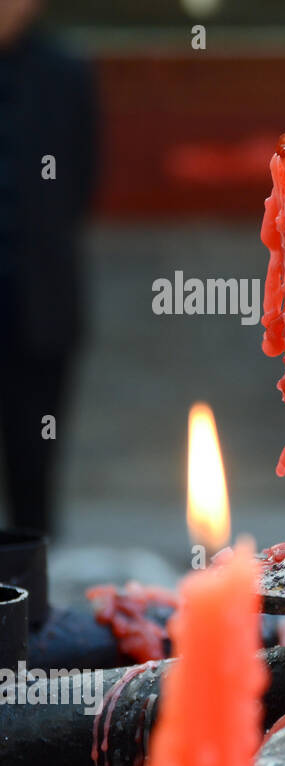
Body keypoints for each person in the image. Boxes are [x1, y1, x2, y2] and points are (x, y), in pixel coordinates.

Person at [0, 0, 97, 535]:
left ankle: (31, 593)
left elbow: (81, 181)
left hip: (38, 294)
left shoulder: (67, 71)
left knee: (33, 450)